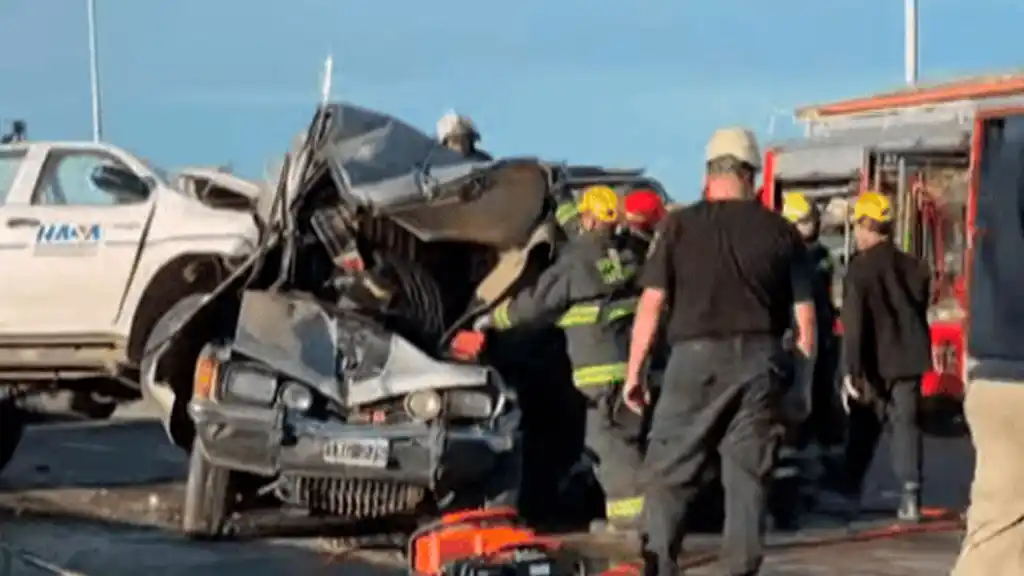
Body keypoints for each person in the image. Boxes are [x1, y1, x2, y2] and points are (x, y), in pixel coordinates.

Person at [623, 127, 817, 576]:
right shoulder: (781, 232)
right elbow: (805, 321)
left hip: (693, 363)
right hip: (759, 364)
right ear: (750, 176)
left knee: (670, 471)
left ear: (708, 173)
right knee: (747, 478)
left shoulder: (678, 227)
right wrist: (801, 388)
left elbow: (651, 304)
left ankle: (660, 564)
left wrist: (635, 373)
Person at [465, 185, 646, 530]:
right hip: (628, 366)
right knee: (627, 438)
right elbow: (580, 233)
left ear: (591, 218)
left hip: (594, 373)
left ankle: (631, 525)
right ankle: (644, 520)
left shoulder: (575, 262)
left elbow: (535, 303)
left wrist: (491, 319)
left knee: (606, 446)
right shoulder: (626, 256)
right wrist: (559, 198)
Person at [833, 191, 931, 524]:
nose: (857, 234)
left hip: (874, 360)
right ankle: (911, 496)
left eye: (858, 226)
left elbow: (854, 323)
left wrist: (850, 370)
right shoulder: (914, 266)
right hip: (909, 358)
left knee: (863, 425)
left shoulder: (859, 269)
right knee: (906, 426)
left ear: (865, 224)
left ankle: (847, 490)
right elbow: (919, 306)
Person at [777, 192, 844, 513]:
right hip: (801, 341)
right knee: (801, 414)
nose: (810, 227)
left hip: (813, 339)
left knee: (814, 408)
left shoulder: (813, 257)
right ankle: (802, 483)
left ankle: (809, 481)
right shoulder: (801, 257)